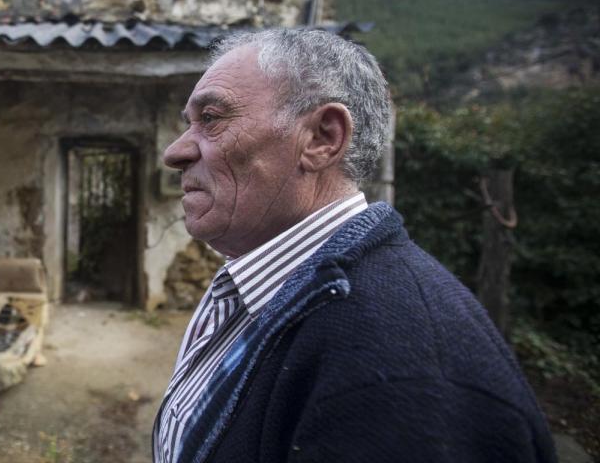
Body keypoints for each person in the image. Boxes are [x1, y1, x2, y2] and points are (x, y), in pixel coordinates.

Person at [153, 28, 555, 463]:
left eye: (211, 118)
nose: (175, 152)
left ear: (322, 138)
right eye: (187, 124)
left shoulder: (411, 370)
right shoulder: (265, 286)